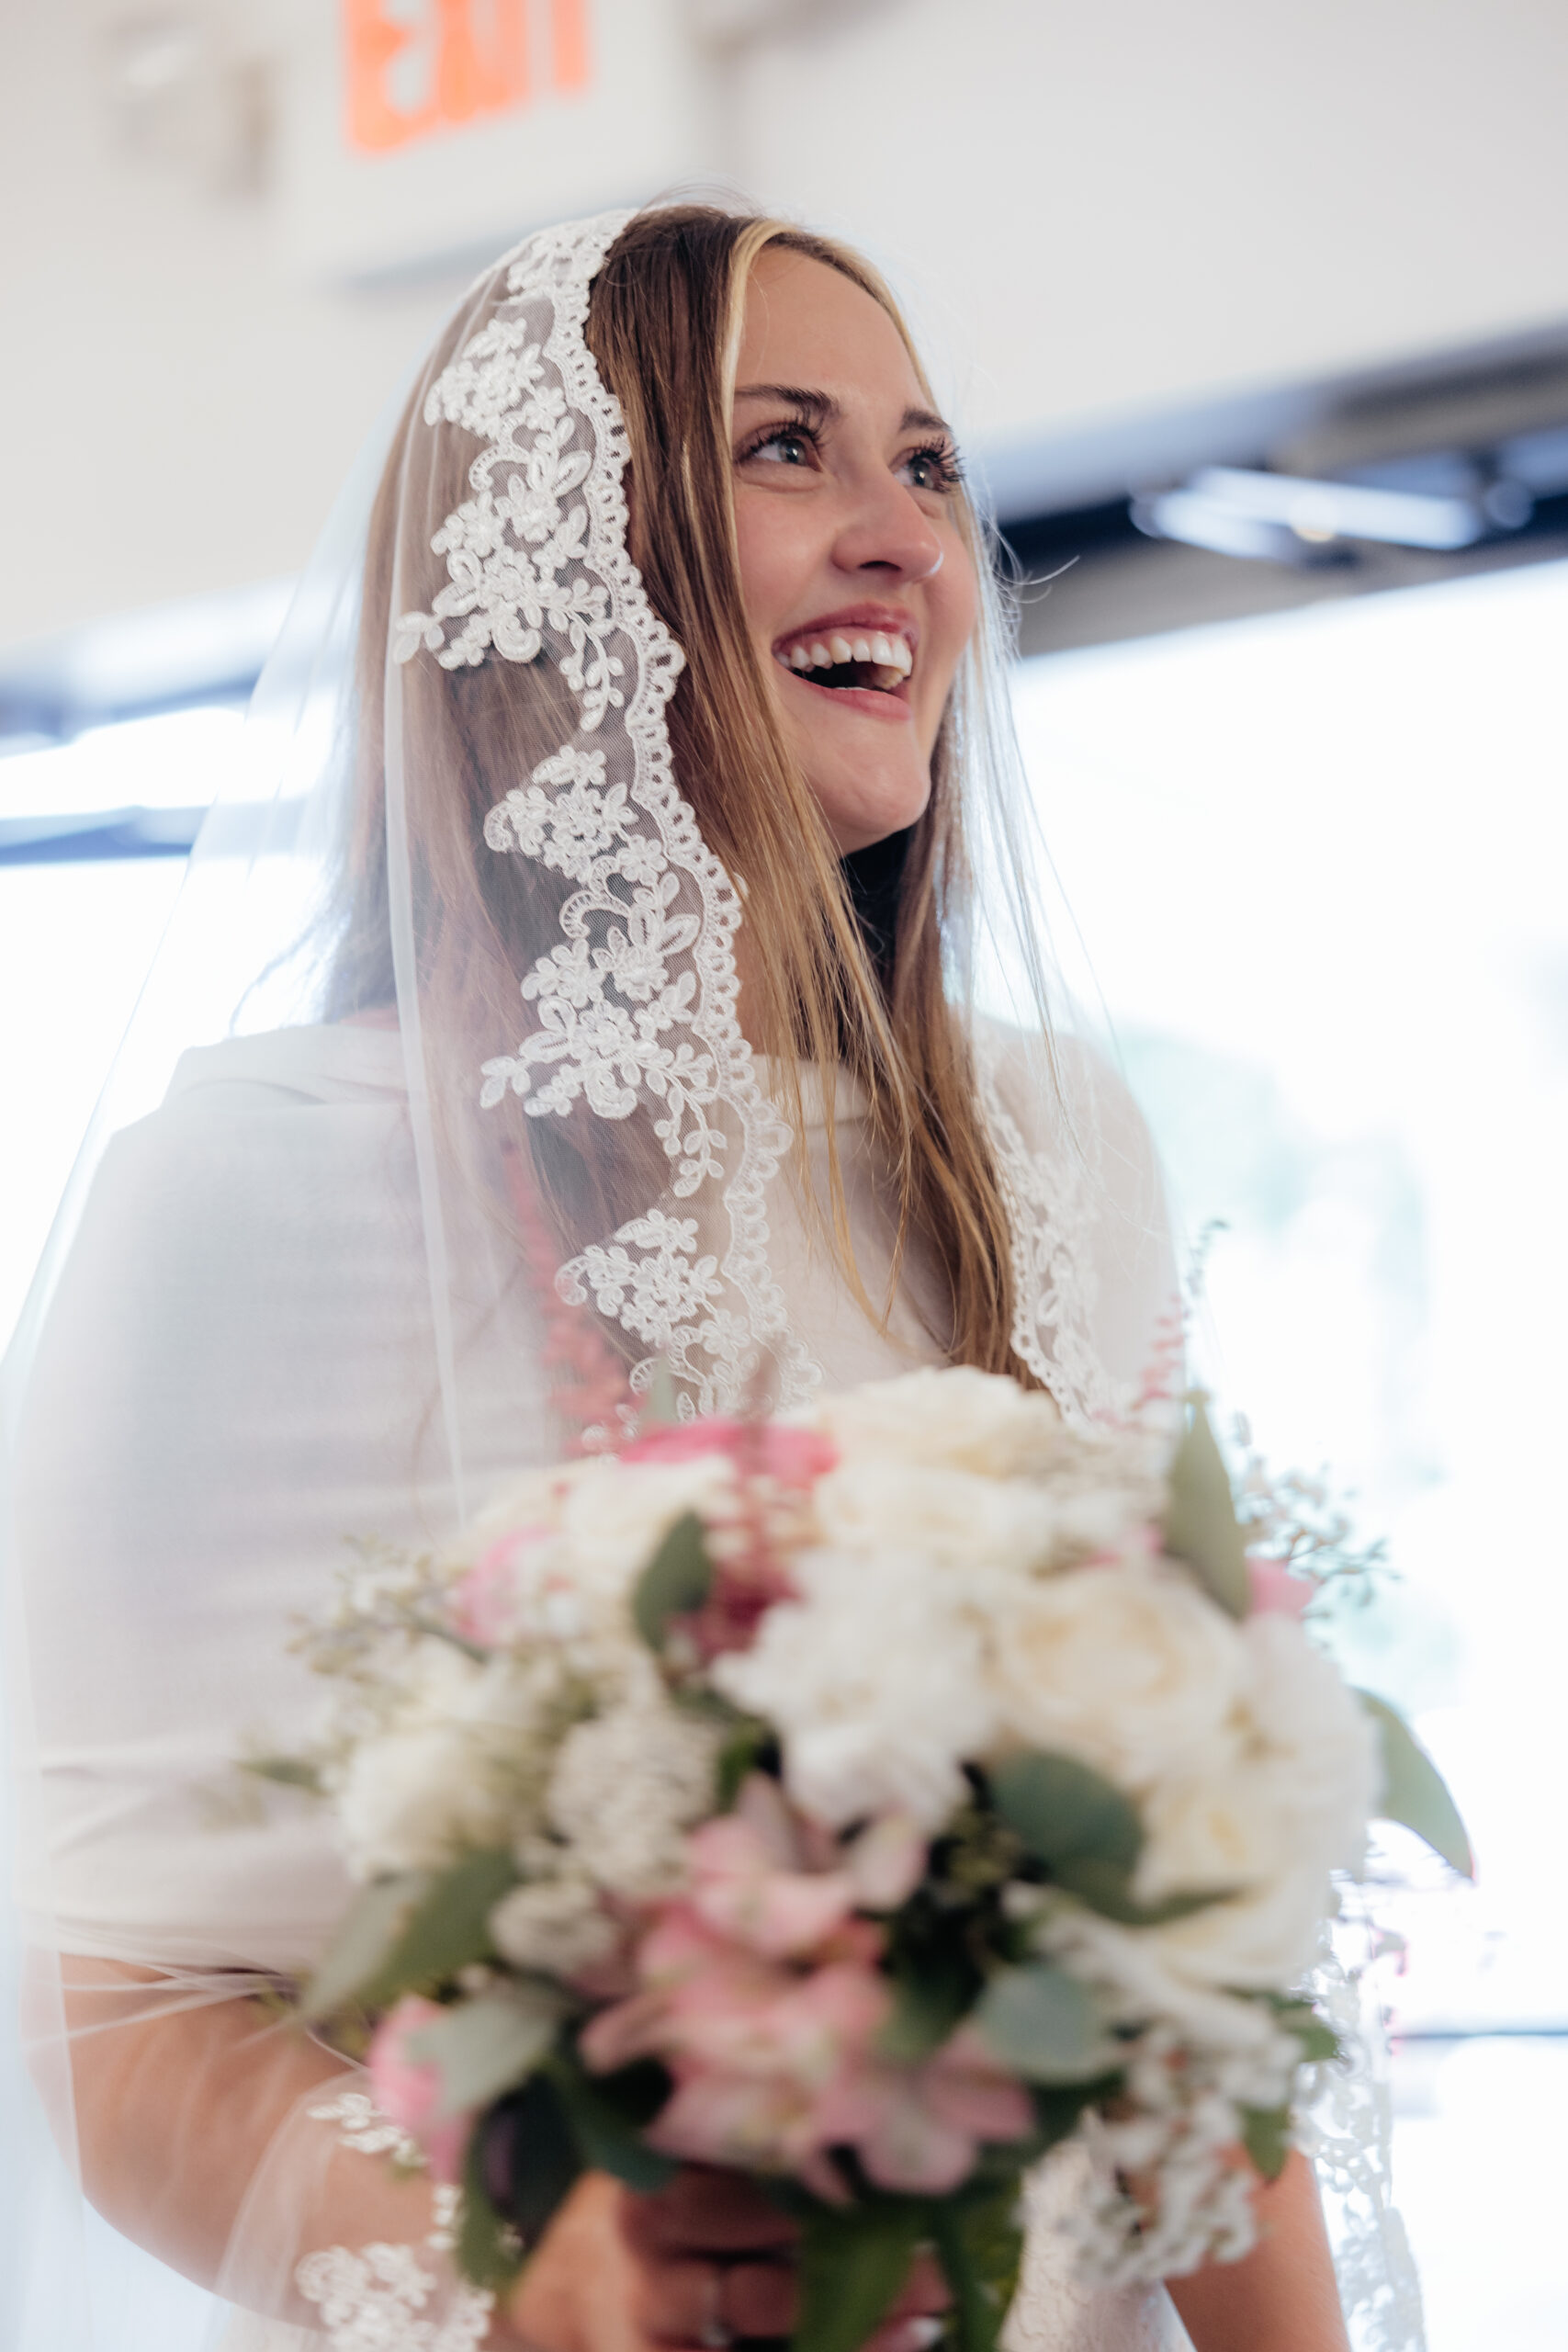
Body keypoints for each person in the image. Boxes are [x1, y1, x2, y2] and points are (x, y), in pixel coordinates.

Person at [1, 202, 1399, 2352]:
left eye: (924, 466)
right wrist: (530, 2264)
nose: (900, 541)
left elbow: (1186, 1973)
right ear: (568, 554)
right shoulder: (256, 1185)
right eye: (783, 450)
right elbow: (120, 2007)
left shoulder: (1055, 1148)